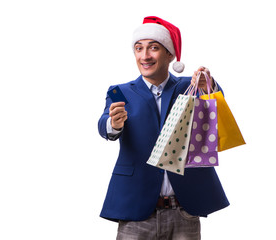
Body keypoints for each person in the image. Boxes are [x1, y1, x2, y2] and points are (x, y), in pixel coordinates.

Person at [98, 16, 229, 240]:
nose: (144, 56)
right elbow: (103, 124)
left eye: (153, 48)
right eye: (139, 48)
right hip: (136, 210)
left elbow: (214, 110)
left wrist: (210, 88)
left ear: (169, 54)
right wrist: (113, 124)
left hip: (184, 211)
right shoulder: (120, 91)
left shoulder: (189, 86)